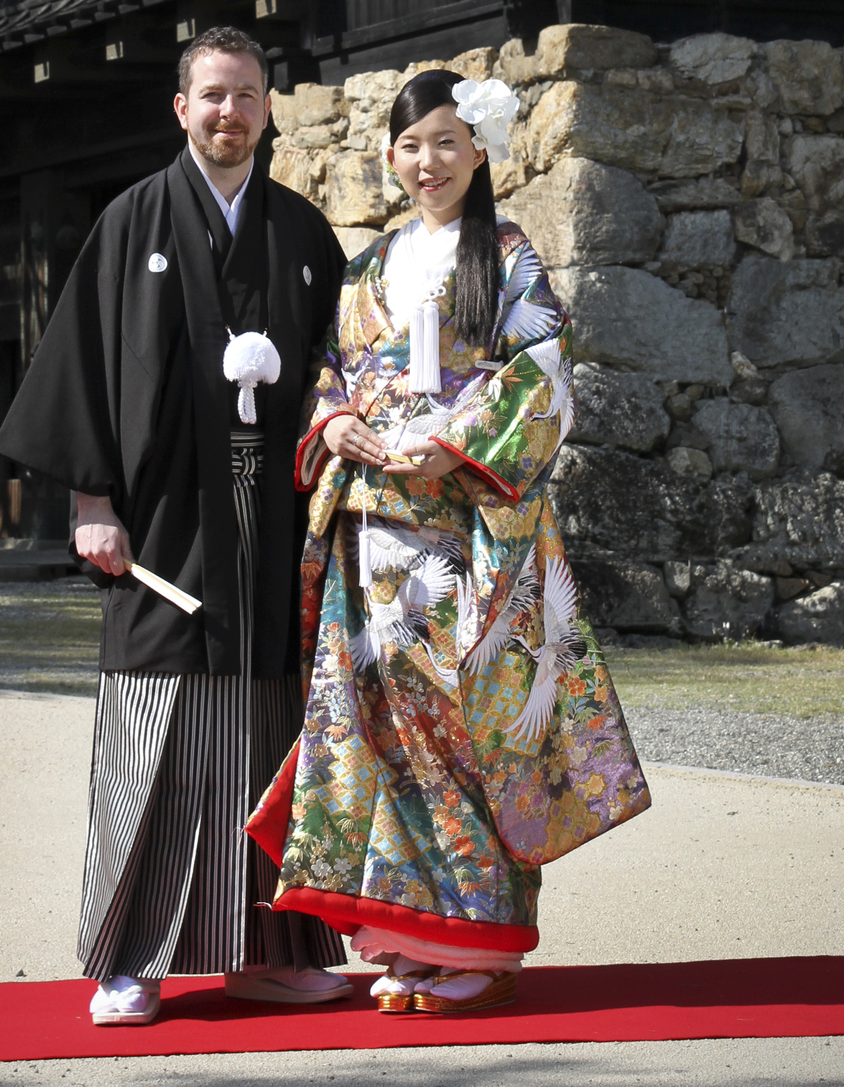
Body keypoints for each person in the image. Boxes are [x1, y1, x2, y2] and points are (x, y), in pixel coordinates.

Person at [248, 68, 651, 1015]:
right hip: (374, 530)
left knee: (465, 724)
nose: (427, 162)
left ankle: (484, 936)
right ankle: (411, 935)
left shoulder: (507, 256)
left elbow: (544, 373)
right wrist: (336, 420)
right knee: (382, 722)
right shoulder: (368, 265)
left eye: (445, 142)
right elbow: (329, 368)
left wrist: (457, 443)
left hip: (466, 525)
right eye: (410, 145)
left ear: (478, 150)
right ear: (390, 156)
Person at [0, 27, 351, 1027]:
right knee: (155, 732)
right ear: (181, 108)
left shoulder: (302, 234)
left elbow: (343, 369)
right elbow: (81, 364)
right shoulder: (132, 221)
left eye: (247, 95)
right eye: (212, 95)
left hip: (272, 523)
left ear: (269, 108)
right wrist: (90, 501)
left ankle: (270, 951)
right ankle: (130, 961)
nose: (230, 112)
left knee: (271, 731)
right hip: (161, 524)